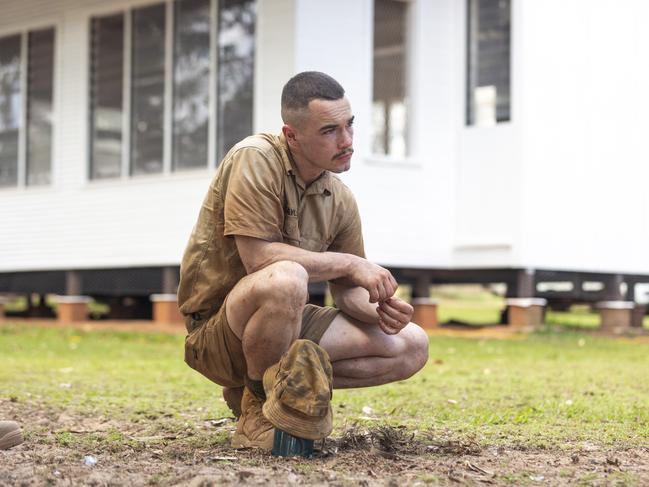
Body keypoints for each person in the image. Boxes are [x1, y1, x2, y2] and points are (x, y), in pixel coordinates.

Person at [178, 71, 429, 451]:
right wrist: (348, 263)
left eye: (349, 126)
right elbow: (258, 258)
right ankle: (256, 410)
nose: (346, 142)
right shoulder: (255, 158)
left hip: (284, 320)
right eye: (329, 131)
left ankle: (274, 389)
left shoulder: (340, 197)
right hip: (216, 332)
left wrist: (380, 309)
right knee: (286, 278)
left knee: (411, 345)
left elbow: (348, 294)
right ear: (292, 135)